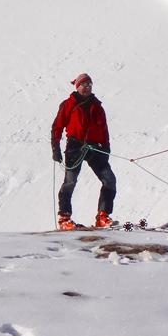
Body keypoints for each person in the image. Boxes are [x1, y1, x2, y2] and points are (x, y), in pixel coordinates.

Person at [51, 73, 116, 230]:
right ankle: (64, 219)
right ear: (77, 86)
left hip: (95, 148)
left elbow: (104, 129)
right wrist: (55, 148)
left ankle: (103, 216)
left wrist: (106, 147)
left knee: (109, 180)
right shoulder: (68, 104)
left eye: (89, 85)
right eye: (84, 85)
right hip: (75, 147)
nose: (87, 88)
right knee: (70, 182)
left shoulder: (97, 106)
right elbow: (57, 127)